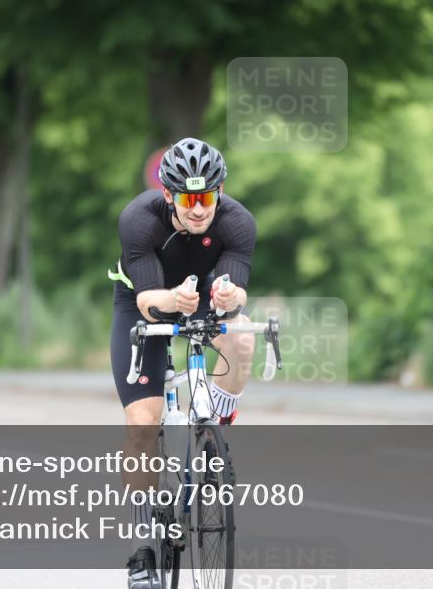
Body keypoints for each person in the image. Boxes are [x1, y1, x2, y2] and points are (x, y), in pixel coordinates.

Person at [109, 138, 257, 588]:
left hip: (202, 294)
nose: (198, 209)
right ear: (169, 194)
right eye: (188, 199)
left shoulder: (237, 222)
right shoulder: (139, 220)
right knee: (142, 424)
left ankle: (213, 431)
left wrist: (230, 296)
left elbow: (238, 291)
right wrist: (173, 300)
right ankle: (142, 553)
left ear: (220, 191)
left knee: (242, 335)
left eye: (206, 198)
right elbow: (149, 302)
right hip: (143, 303)